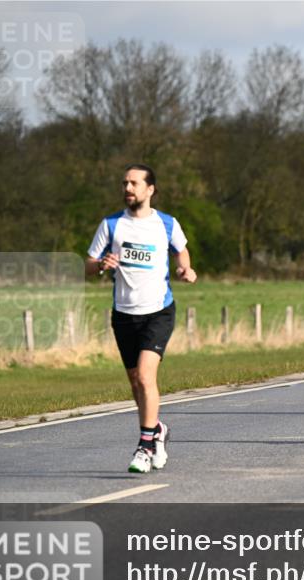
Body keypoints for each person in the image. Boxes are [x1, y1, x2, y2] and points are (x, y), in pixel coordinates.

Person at [86, 164, 197, 473]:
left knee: (147, 377)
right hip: (123, 314)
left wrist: (184, 269)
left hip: (159, 312)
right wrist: (100, 266)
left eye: (134, 183)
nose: (128, 188)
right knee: (136, 383)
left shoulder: (166, 223)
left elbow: (182, 251)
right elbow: (88, 263)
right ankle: (157, 430)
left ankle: (145, 447)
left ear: (150, 190)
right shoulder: (111, 225)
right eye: (125, 183)